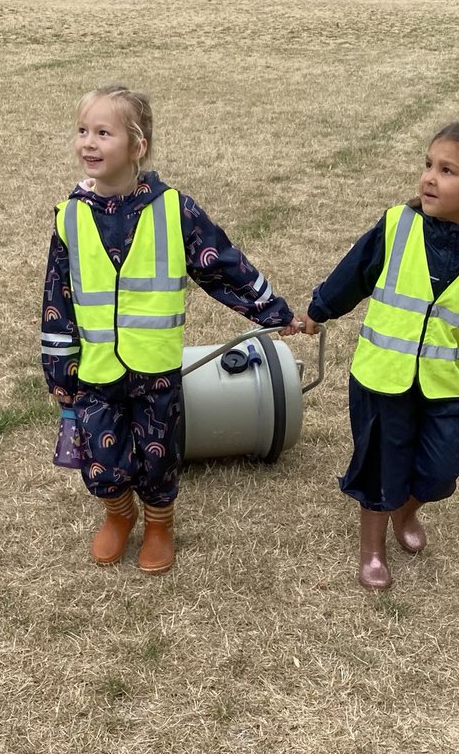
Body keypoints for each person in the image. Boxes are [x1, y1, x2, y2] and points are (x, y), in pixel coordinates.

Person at [42, 85, 302, 573]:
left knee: (158, 454)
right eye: (82, 131)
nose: (88, 142)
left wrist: (274, 311)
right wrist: (60, 371)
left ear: (137, 146)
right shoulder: (68, 217)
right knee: (100, 455)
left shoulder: (174, 209)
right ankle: (118, 514)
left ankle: (160, 524)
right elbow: (57, 299)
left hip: (156, 369)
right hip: (95, 371)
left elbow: (223, 266)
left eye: (103, 133)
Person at [302, 121, 459, 590]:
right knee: (381, 465)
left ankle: (406, 511)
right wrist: (319, 310)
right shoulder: (397, 226)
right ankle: (372, 548)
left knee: (441, 471)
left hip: (444, 387)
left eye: (447, 171)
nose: (429, 178)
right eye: (428, 165)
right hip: (381, 377)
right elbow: (352, 275)